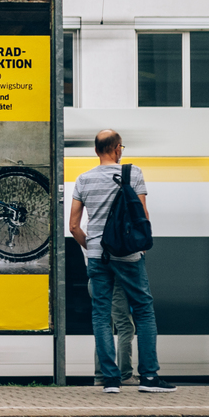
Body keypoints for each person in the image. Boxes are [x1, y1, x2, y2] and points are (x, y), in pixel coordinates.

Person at [69, 130, 174, 394]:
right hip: (127, 253)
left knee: (101, 315)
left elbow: (74, 226)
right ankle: (149, 378)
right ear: (117, 149)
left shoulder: (83, 179)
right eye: (121, 148)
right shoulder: (133, 173)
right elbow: (143, 215)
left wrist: (91, 245)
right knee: (143, 310)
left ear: (96, 151)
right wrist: (139, 247)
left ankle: (110, 380)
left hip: (96, 255)